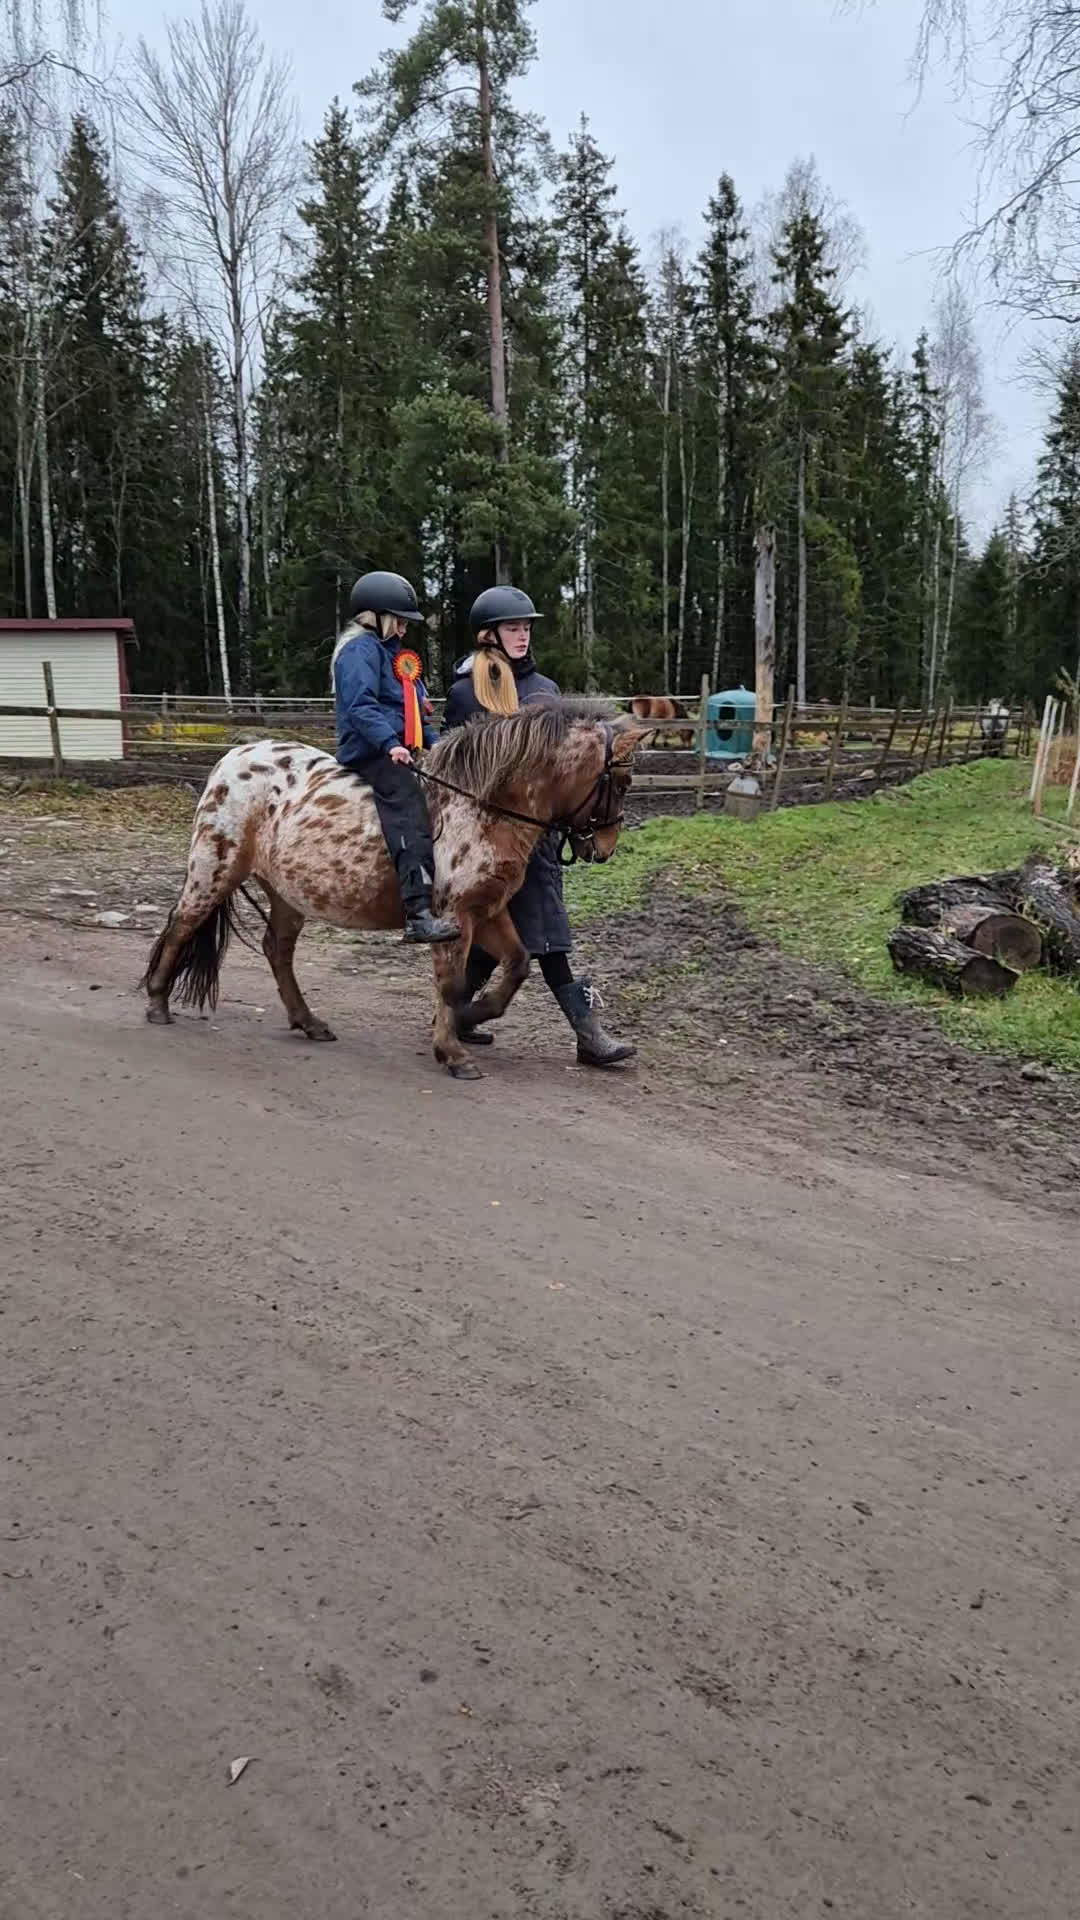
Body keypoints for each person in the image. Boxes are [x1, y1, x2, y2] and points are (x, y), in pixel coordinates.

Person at [442, 585, 635, 1067]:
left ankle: (462, 1014)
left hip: (540, 835)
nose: (522, 635)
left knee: (509, 928)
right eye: (513, 627)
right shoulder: (467, 693)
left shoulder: (545, 690)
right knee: (546, 936)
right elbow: (458, 767)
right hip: (488, 840)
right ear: (490, 635)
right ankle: (588, 1036)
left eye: (526, 627)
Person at [333, 570, 458, 944]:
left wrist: (436, 743)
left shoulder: (398, 657)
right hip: (370, 750)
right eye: (399, 621)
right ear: (376, 616)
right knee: (406, 802)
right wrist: (390, 743)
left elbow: (414, 714)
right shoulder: (359, 652)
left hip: (400, 746)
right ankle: (418, 912)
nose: (404, 629)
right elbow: (360, 706)